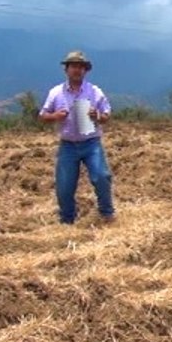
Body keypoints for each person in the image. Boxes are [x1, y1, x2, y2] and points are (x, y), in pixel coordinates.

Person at [38, 49, 116, 225]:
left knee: (101, 176)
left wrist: (97, 116)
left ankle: (107, 214)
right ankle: (67, 221)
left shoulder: (94, 91)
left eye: (80, 67)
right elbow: (42, 116)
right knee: (64, 187)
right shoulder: (56, 93)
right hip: (68, 144)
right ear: (66, 69)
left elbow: (107, 115)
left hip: (91, 142)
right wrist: (55, 116)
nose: (77, 70)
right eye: (73, 66)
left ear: (85, 70)